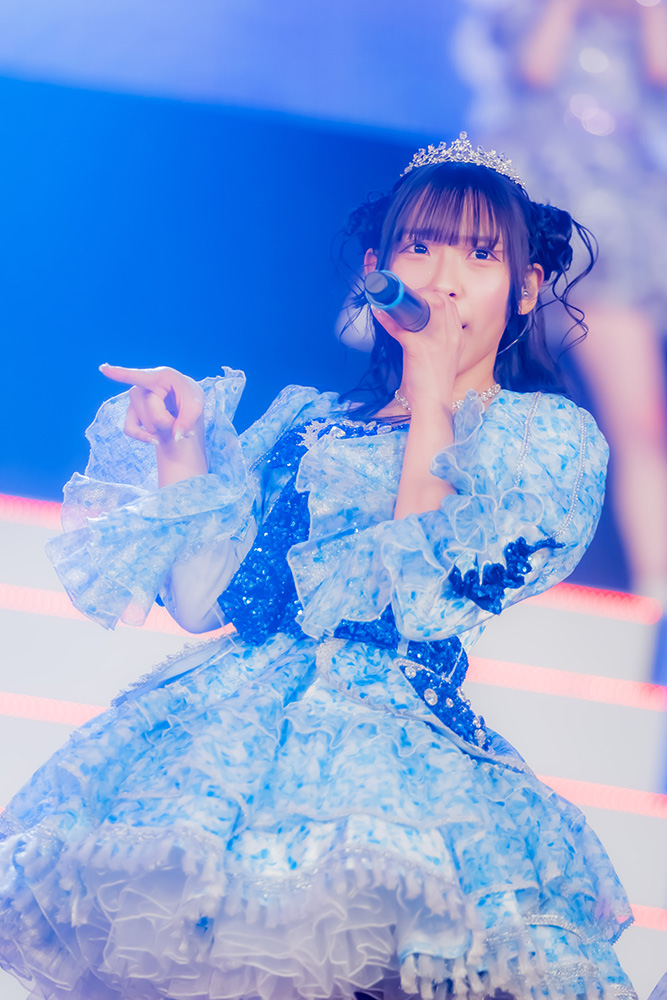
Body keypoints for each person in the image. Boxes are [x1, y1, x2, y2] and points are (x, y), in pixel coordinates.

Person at [0, 135, 637, 1000]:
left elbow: (422, 586)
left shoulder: (536, 439)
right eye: (420, 246)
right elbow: (204, 603)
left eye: (479, 255)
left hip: (394, 761)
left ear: (525, 287)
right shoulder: (313, 420)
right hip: (222, 749)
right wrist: (181, 441)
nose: (444, 277)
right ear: (376, 270)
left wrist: (432, 384)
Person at [453, 0, 667, 652]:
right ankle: (449, 564)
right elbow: (534, 68)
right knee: (468, 398)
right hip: (524, 206)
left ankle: (656, 603)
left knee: (640, 423)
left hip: (614, 226)